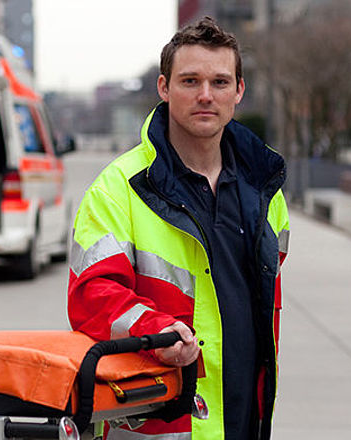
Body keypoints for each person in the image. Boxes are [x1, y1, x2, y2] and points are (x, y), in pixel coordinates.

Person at [67, 17, 289, 440]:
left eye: (220, 82)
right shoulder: (118, 189)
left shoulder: (265, 191)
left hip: (245, 415)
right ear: (164, 89)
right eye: (190, 81)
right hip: (161, 420)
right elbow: (90, 296)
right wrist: (154, 331)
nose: (206, 95)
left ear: (239, 91)